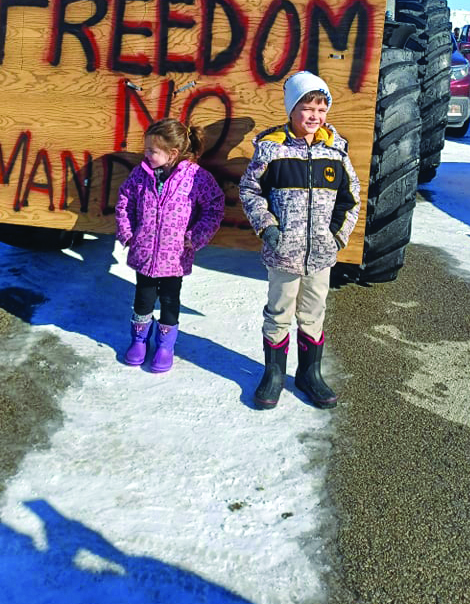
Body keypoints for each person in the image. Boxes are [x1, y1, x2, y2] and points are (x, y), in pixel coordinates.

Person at [239, 71, 361, 410]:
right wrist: (268, 229)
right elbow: (249, 191)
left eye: (321, 110)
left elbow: (351, 198)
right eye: (307, 108)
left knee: (313, 313)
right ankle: (274, 374)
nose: (314, 116)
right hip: (283, 254)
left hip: (320, 256)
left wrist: (336, 238)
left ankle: (310, 373)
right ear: (291, 109)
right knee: (279, 312)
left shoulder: (335, 151)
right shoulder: (272, 150)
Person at [115, 118, 225, 373]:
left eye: (152, 151)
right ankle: (139, 340)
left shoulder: (196, 177)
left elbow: (214, 206)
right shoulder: (140, 174)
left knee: (169, 299)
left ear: (172, 153)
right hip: (143, 253)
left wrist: (195, 237)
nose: (146, 154)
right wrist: (128, 232)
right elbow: (124, 201)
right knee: (143, 298)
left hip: (175, 257)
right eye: (146, 149)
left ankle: (165, 345)